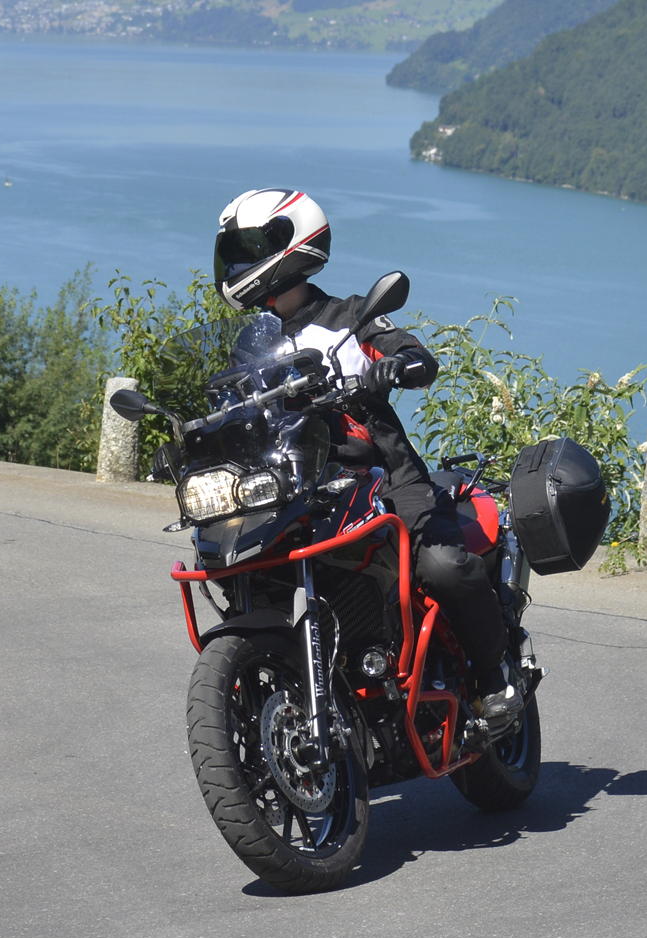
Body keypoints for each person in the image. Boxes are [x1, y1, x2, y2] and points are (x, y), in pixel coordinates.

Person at [212, 188, 521, 731]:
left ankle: (496, 678)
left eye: (250, 248)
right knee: (239, 558)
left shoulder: (351, 318)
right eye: (234, 251)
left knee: (441, 565)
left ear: (291, 243)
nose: (238, 263)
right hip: (300, 485)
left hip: (384, 476)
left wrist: (397, 366)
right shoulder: (250, 345)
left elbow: (413, 354)